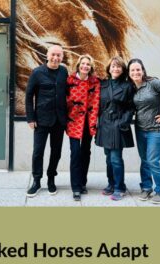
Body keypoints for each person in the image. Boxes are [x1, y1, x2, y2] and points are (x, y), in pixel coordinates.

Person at [127, 58, 160, 204]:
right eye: (132, 70)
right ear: (129, 73)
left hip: (156, 130)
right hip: (140, 129)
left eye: (138, 69)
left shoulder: (153, 83)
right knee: (145, 161)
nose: (136, 72)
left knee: (152, 161)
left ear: (143, 70)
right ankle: (146, 188)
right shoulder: (131, 88)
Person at [25, 45, 68, 197]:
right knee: (38, 152)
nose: (56, 58)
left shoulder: (64, 71)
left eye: (59, 55)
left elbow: (67, 94)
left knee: (56, 152)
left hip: (59, 121)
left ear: (62, 57)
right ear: (47, 55)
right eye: (53, 55)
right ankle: (36, 181)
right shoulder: (37, 72)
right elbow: (29, 96)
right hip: (41, 120)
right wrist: (30, 118)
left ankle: (51, 179)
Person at [95, 56, 134, 201]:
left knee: (116, 158)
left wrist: (122, 122)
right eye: (113, 66)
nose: (115, 68)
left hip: (118, 124)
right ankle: (111, 184)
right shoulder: (103, 84)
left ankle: (120, 187)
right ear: (109, 68)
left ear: (123, 69)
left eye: (118, 66)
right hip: (104, 124)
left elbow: (131, 108)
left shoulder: (127, 86)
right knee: (108, 158)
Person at [66, 54, 100, 201]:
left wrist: (94, 121)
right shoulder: (70, 81)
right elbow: (65, 100)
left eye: (88, 64)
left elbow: (97, 103)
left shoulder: (95, 83)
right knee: (75, 153)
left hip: (88, 123)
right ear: (78, 65)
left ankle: (82, 183)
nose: (85, 66)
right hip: (73, 122)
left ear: (91, 67)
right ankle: (75, 187)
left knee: (86, 152)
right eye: (83, 63)